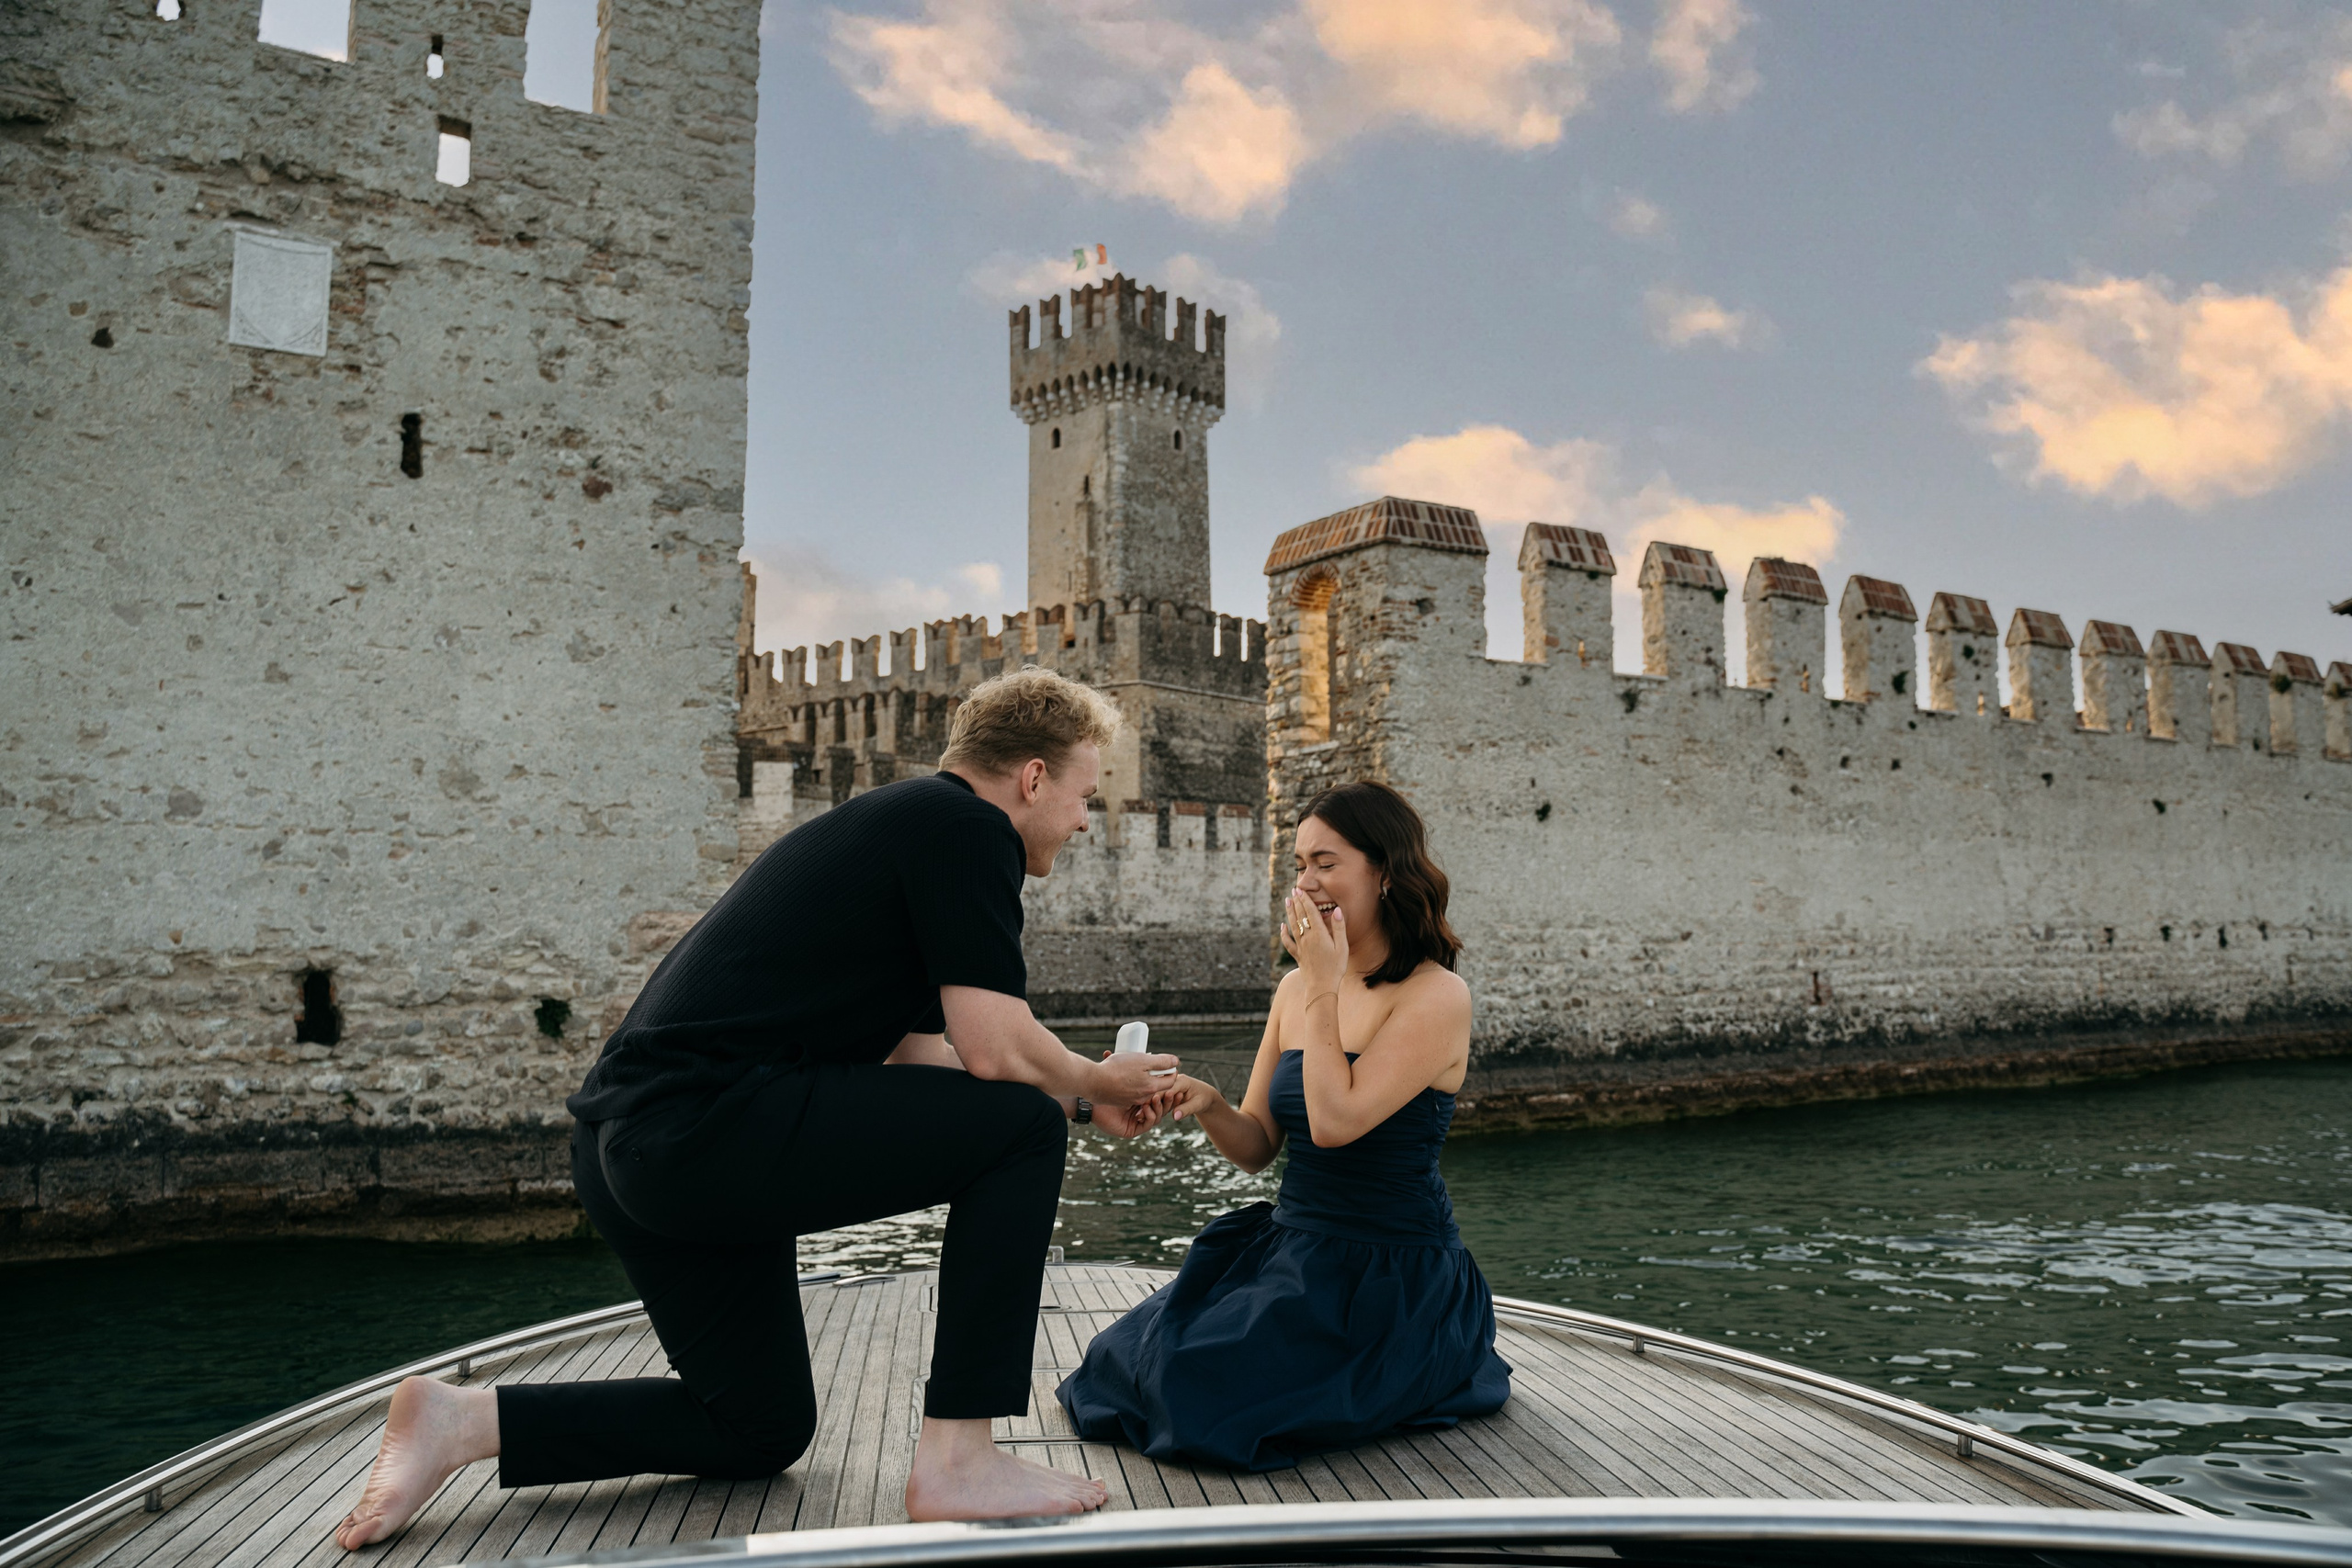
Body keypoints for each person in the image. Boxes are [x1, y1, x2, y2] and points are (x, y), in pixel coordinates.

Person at [334, 667, 1181, 1548]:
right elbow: (995, 1047)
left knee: (757, 1426)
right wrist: (1091, 1080)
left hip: (632, 1143)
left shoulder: (901, 826)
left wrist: (1084, 1100)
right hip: (708, 1127)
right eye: (1085, 794)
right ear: (1033, 778)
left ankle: (466, 1421)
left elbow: (918, 1051)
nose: (1087, 819)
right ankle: (960, 1454)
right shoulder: (966, 826)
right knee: (1021, 1130)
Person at [1057, 781, 1510, 1472]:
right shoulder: (1295, 989)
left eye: (1326, 862)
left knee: (1199, 1395)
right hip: (1293, 1247)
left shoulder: (1436, 995)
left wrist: (1325, 981)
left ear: (1384, 870)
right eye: (1300, 864)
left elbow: (1333, 1124)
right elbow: (1260, 1146)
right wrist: (1208, 1101)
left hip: (1390, 1275)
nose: (1307, 882)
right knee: (1121, 1359)